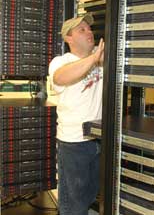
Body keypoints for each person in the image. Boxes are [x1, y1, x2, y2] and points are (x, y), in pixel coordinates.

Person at [48, 13, 104, 215]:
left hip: (98, 139)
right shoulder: (61, 61)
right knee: (73, 204)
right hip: (73, 144)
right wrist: (94, 58)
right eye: (81, 29)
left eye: (89, 28)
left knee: (90, 195)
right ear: (68, 38)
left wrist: (101, 56)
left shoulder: (99, 56)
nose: (89, 32)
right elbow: (61, 77)